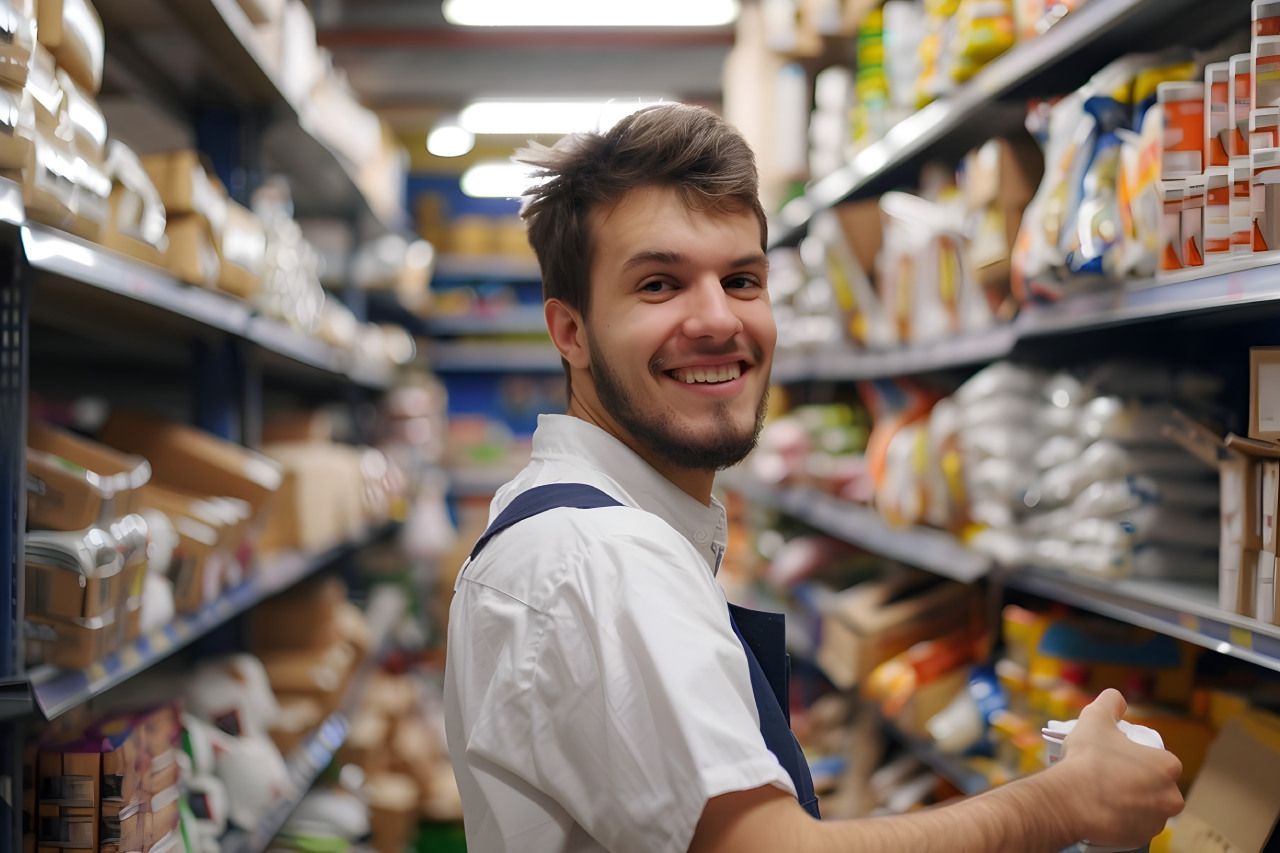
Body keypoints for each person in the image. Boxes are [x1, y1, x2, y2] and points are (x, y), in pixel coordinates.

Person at [442, 103, 1184, 853]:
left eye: (740, 279)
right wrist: (1067, 800)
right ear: (570, 331)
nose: (717, 320)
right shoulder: (603, 559)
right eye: (660, 284)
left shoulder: (575, 526)